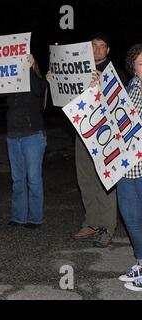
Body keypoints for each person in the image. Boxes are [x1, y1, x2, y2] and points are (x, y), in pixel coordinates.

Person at [72, 33, 127, 247]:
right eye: (93, 45)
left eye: (102, 46)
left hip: (105, 134)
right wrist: (53, 80)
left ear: (108, 50)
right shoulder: (78, 70)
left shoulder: (116, 73)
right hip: (82, 130)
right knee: (85, 180)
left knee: (105, 181)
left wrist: (102, 83)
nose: (97, 50)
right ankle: (92, 223)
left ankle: (106, 227)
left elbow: (120, 104)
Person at [6, 54, 47, 228]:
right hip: (13, 135)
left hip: (32, 135)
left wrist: (31, 69)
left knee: (34, 180)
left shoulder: (36, 80)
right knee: (17, 179)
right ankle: (18, 216)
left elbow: (40, 90)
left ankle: (35, 217)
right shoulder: (9, 82)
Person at [116, 44, 142, 291]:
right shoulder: (129, 88)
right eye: (141, 63)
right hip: (125, 166)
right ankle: (141, 260)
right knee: (131, 218)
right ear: (133, 67)